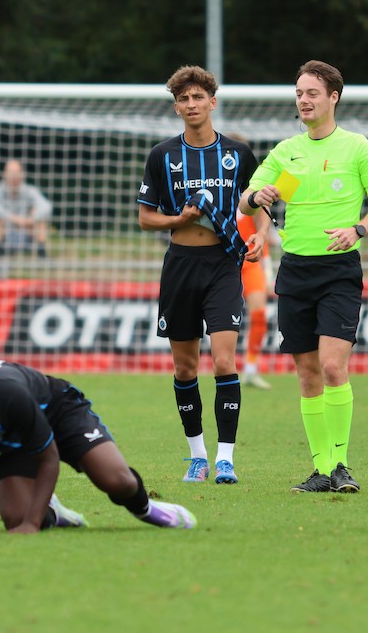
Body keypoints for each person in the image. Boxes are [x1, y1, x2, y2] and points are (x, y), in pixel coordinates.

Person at [242, 60, 368, 495]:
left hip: (339, 272)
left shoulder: (357, 149)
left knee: (332, 367)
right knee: (308, 374)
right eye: (299, 93)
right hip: (295, 272)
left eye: (312, 93)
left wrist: (358, 229)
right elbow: (252, 202)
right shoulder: (290, 153)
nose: (304, 100)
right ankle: (321, 469)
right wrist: (259, 198)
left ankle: (342, 464)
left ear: (333, 98)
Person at [0, 344, 197, 535]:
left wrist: (31, 524)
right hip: (6, 444)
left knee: (117, 481)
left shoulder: (2, 394)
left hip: (58, 412)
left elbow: (48, 459)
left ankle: (146, 508)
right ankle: (55, 514)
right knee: (14, 519)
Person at [137, 65, 268, 485]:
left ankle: (225, 458)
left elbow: (259, 202)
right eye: (184, 99)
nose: (191, 105)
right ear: (176, 107)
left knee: (225, 360)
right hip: (180, 265)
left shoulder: (237, 154)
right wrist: (180, 217)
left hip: (223, 266)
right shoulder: (162, 155)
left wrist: (262, 235)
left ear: (213, 102)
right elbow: (145, 218)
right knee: (185, 368)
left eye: (198, 98)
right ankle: (197, 456)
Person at [237, 207, 275, 390]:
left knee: (259, 316)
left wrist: (268, 270)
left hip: (251, 262)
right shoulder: (220, 192)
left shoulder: (251, 198)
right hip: (224, 263)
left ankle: (250, 369)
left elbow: (262, 232)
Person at [0, 159, 52, 257]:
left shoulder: (30, 190)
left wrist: (31, 219)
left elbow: (47, 206)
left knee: (40, 219)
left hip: (26, 231)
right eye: (11, 173)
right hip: (5, 231)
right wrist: (13, 218)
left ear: (22, 175)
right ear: (5, 174)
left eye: (16, 173)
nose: (13, 177)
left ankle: (42, 253)